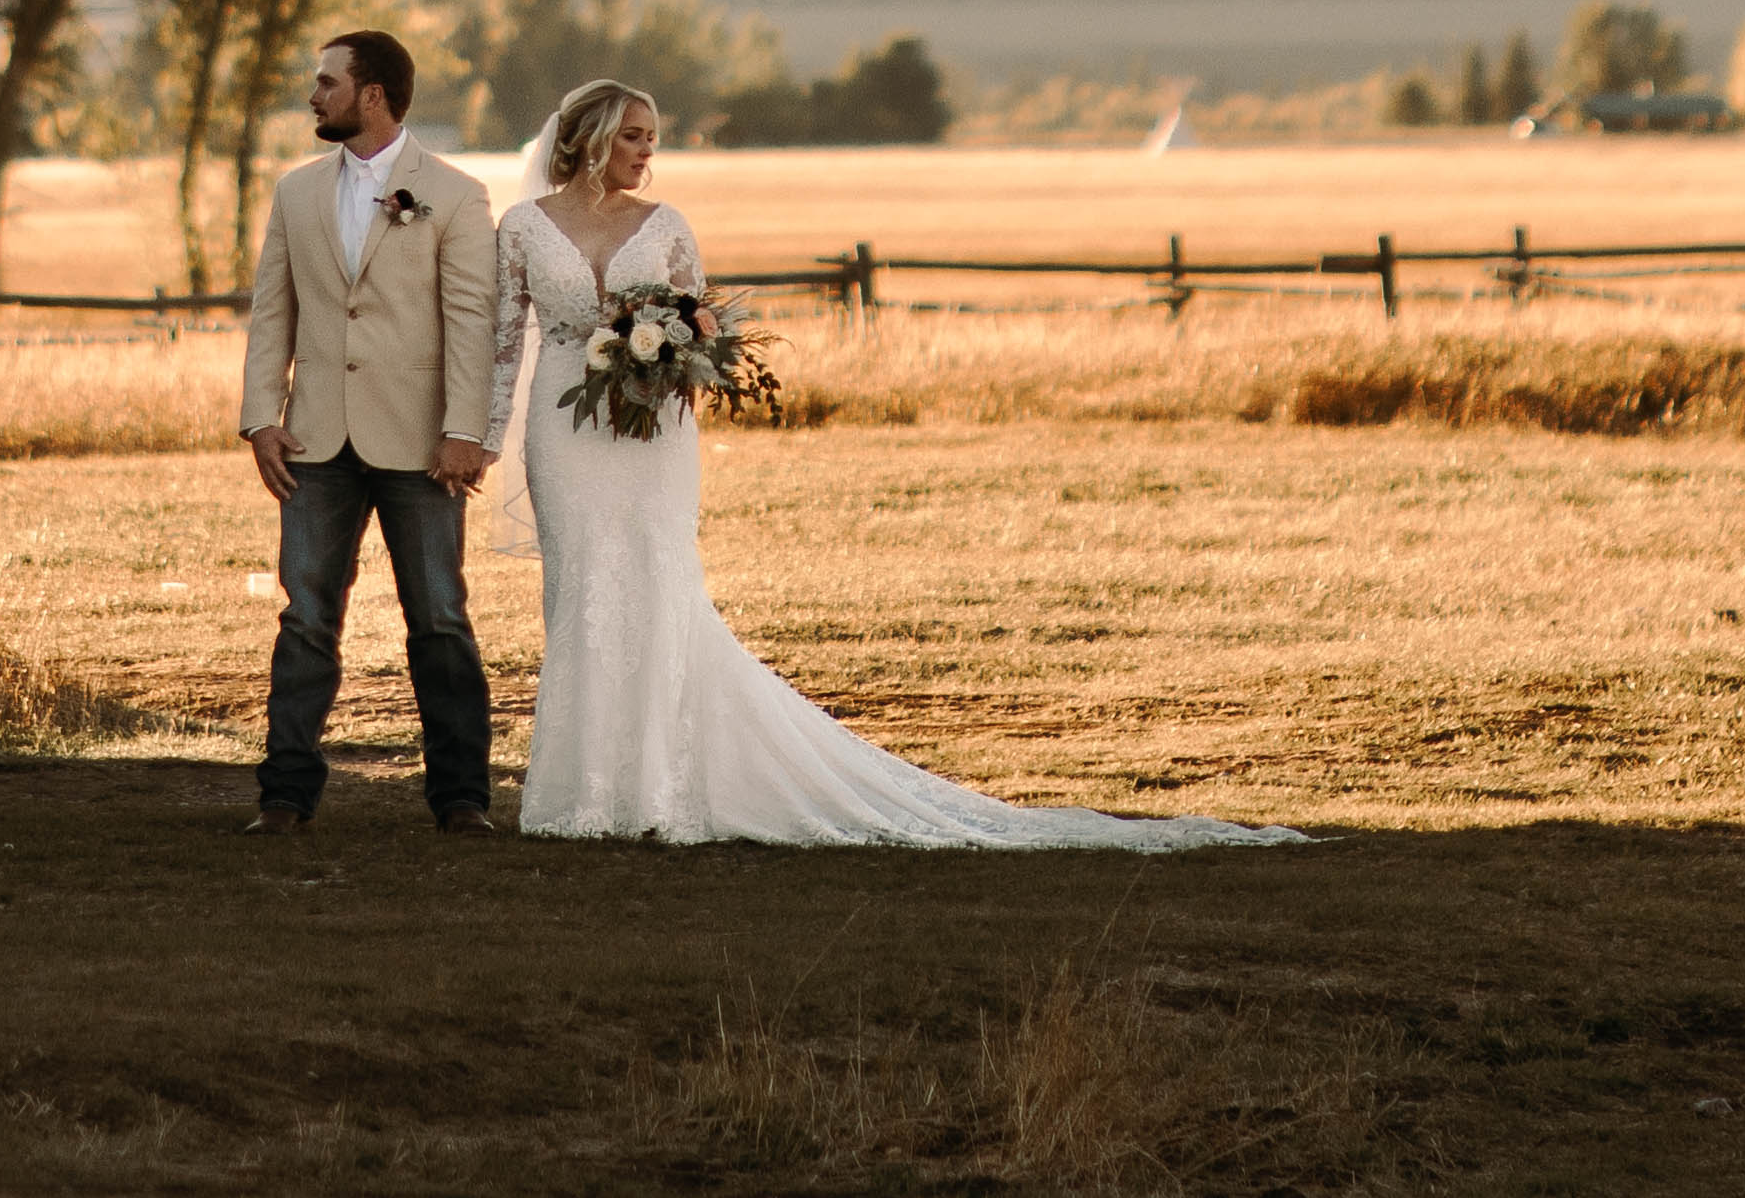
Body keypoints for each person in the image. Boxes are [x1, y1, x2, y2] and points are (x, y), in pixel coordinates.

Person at [491, 79, 1296, 850]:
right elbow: (499, 344)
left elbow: (703, 329)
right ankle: (583, 788)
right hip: (564, 432)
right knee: (581, 589)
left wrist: (670, 367)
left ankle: (661, 785)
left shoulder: (665, 222)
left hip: (653, 435)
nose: (646, 153)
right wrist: (481, 437)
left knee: (660, 586)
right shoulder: (523, 226)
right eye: (633, 137)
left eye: (652, 139)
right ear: (590, 138)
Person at [231, 26, 509, 831]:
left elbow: (471, 321)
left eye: (326, 81)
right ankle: (283, 796)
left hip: (422, 445)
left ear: (373, 93)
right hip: (314, 442)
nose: (313, 95)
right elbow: (271, 309)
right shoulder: (296, 190)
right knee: (305, 615)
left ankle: (460, 798)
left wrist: (464, 430)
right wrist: (260, 420)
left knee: (439, 617)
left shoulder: (454, 194)